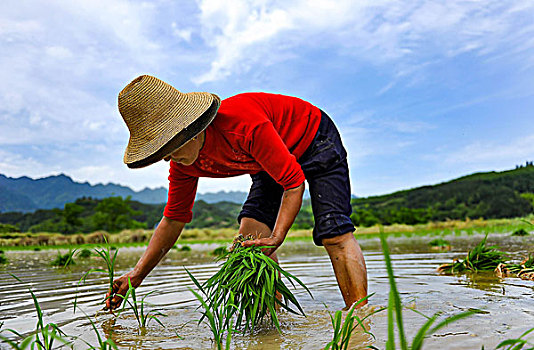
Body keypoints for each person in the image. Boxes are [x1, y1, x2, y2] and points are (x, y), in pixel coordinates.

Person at [106, 74, 367, 310]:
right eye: (161, 151)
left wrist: (277, 237)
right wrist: (137, 275)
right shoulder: (183, 164)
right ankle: (270, 328)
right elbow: (174, 218)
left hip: (313, 137)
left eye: (171, 147)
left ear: (193, 129)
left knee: (334, 232)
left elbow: (293, 183)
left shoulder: (243, 126)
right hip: (267, 160)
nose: (167, 159)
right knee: (248, 244)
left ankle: (359, 320)